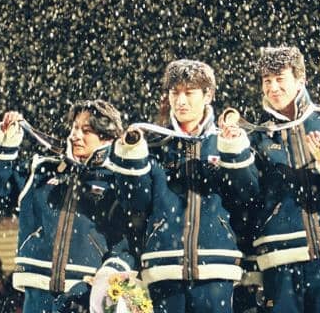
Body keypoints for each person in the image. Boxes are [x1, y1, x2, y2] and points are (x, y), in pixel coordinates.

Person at [90, 59, 259, 313]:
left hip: (216, 267)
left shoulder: (225, 141)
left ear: (208, 95)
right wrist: (131, 158)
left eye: (189, 93)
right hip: (162, 268)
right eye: (174, 92)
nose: (181, 101)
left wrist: (234, 151)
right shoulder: (153, 144)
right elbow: (135, 204)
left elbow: (247, 197)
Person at [0, 100, 135, 312]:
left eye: (86, 130)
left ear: (106, 137)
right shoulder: (43, 169)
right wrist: (4, 143)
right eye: (75, 127)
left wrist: (110, 273)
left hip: (86, 294)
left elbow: (129, 243)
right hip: (37, 291)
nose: (75, 135)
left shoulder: (118, 180)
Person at [248, 47, 320, 313]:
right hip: (278, 254)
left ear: (300, 79)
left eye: (280, 79)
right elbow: (246, 202)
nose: (273, 87)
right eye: (267, 80)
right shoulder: (255, 137)